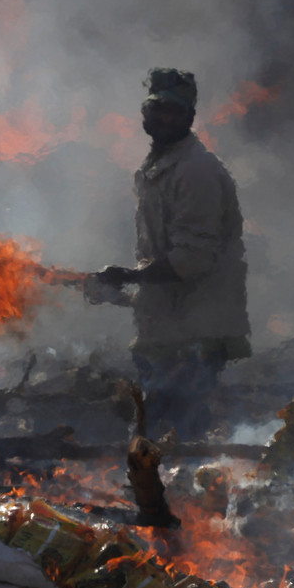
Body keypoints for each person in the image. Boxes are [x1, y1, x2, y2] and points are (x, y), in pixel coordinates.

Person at [87, 68, 251, 440]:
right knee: (167, 438)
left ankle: (175, 496)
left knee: (166, 438)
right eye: (158, 108)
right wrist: (121, 293)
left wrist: (127, 276)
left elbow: (191, 261)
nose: (164, 118)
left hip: (195, 337)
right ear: (145, 112)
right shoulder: (157, 169)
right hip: (167, 332)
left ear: (190, 117)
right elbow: (161, 261)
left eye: (175, 112)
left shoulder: (195, 171)